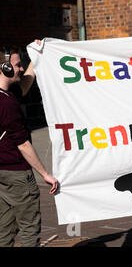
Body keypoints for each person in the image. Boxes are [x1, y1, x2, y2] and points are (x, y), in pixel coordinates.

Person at [0, 43, 59, 247]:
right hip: (17, 173)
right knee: (29, 228)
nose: (22, 69)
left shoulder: (8, 96)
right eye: (17, 65)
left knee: (4, 229)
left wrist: (37, 55)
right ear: (5, 68)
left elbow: (25, 84)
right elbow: (23, 144)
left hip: (1, 173)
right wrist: (45, 174)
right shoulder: (7, 103)